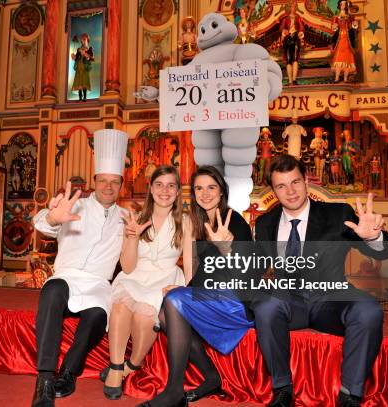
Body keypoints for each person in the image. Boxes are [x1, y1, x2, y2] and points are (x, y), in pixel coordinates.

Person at [251, 154, 388, 407]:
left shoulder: (337, 213)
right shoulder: (265, 223)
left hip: (331, 298)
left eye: (295, 182)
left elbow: (385, 251)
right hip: (289, 302)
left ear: (306, 180)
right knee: (265, 306)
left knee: (368, 310)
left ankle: (350, 395)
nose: (290, 191)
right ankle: (282, 390)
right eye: (281, 186)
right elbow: (256, 268)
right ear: (273, 191)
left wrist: (372, 238)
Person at [137, 166, 254, 407]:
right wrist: (185, 291)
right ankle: (211, 377)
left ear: (222, 192)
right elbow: (204, 274)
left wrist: (227, 249)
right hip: (215, 296)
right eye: (199, 188)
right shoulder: (203, 222)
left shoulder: (234, 221)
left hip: (238, 302)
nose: (205, 193)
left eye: (212, 187)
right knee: (167, 310)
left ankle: (173, 391)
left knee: (175, 302)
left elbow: (248, 272)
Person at [31, 129, 128, 407]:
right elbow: (41, 222)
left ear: (122, 184)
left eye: (114, 182)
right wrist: (52, 217)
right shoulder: (76, 205)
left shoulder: (127, 217)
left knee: (98, 315)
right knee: (52, 292)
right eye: (103, 180)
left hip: (98, 284)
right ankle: (45, 379)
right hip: (67, 277)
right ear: (94, 181)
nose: (108, 187)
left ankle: (69, 373)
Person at [101, 165, 191, 400]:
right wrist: (131, 237)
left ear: (177, 191)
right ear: (150, 189)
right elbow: (128, 267)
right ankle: (116, 365)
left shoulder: (186, 221)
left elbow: (190, 265)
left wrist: (186, 291)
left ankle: (132, 364)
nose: (165, 190)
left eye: (171, 185)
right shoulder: (136, 217)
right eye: (159, 185)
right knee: (121, 305)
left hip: (165, 278)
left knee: (144, 313)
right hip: (135, 275)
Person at [331, 0, 358, 82]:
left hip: (347, 38)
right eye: (341, 4)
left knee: (347, 59)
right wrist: (334, 27)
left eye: (344, 4)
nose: (343, 5)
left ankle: (346, 78)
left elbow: (354, 27)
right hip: (340, 39)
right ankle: (337, 78)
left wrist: (354, 24)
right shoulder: (336, 17)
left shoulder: (349, 16)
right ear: (339, 5)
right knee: (339, 58)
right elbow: (333, 29)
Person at [280, 3, 305, 85]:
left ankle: (294, 80)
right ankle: (290, 80)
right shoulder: (285, 19)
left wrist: (300, 33)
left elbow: (301, 28)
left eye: (294, 7)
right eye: (291, 7)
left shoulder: (298, 19)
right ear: (289, 8)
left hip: (295, 39)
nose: (293, 8)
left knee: (295, 59)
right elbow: (282, 29)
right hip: (287, 39)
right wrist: (284, 32)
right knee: (288, 60)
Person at [71, 33, 94, 102]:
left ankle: (84, 98)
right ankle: (80, 98)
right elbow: (76, 58)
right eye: (82, 39)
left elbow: (92, 58)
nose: (83, 41)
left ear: (87, 40)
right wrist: (74, 57)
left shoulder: (89, 48)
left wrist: (86, 55)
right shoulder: (79, 49)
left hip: (85, 67)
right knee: (79, 83)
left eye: (84, 39)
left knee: (84, 82)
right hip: (79, 67)